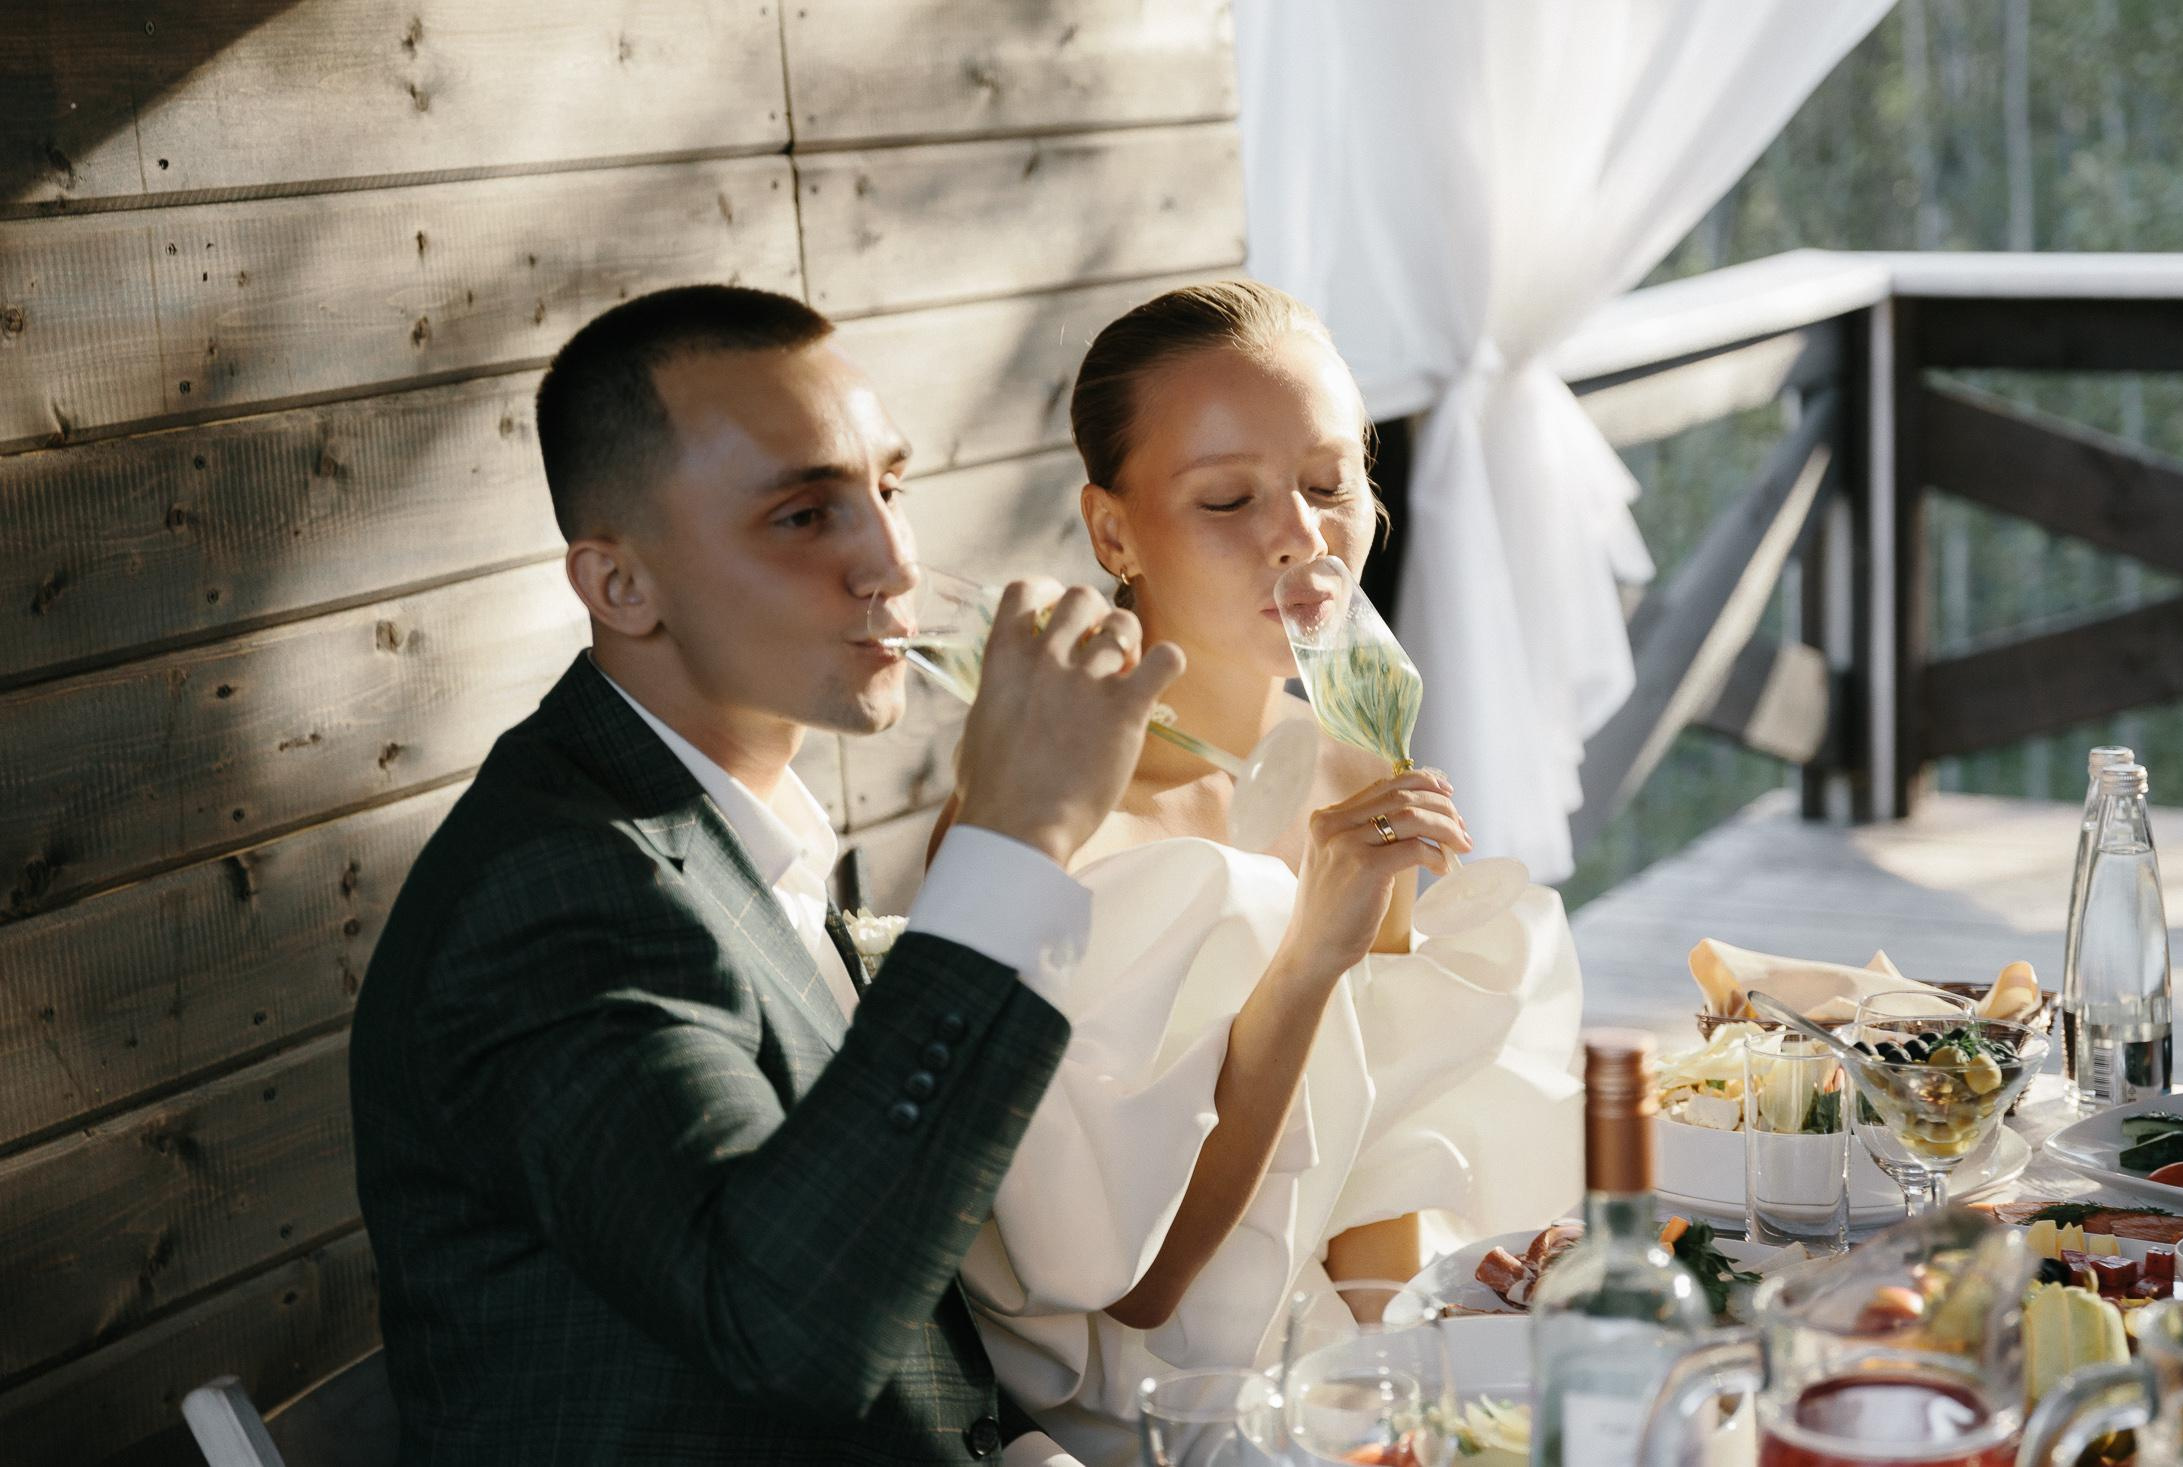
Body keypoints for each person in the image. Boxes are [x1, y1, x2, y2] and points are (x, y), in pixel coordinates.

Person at [347, 284, 1182, 1465]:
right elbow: (789, 1325)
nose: (891, 562)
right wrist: (1016, 837)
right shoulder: (553, 900)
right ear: (619, 586)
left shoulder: (730, 824)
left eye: (888, 489)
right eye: (804, 516)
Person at [950, 281, 1586, 1466]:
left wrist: (1417, 1375)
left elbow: (1379, 1145)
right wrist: (1304, 962)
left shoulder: (1352, 748)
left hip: (1347, 1378)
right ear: (1112, 532)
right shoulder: (1045, 823)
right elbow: (1141, 1290)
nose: (1302, 533)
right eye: (1228, 497)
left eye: (1332, 483)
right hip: (1164, 1416)